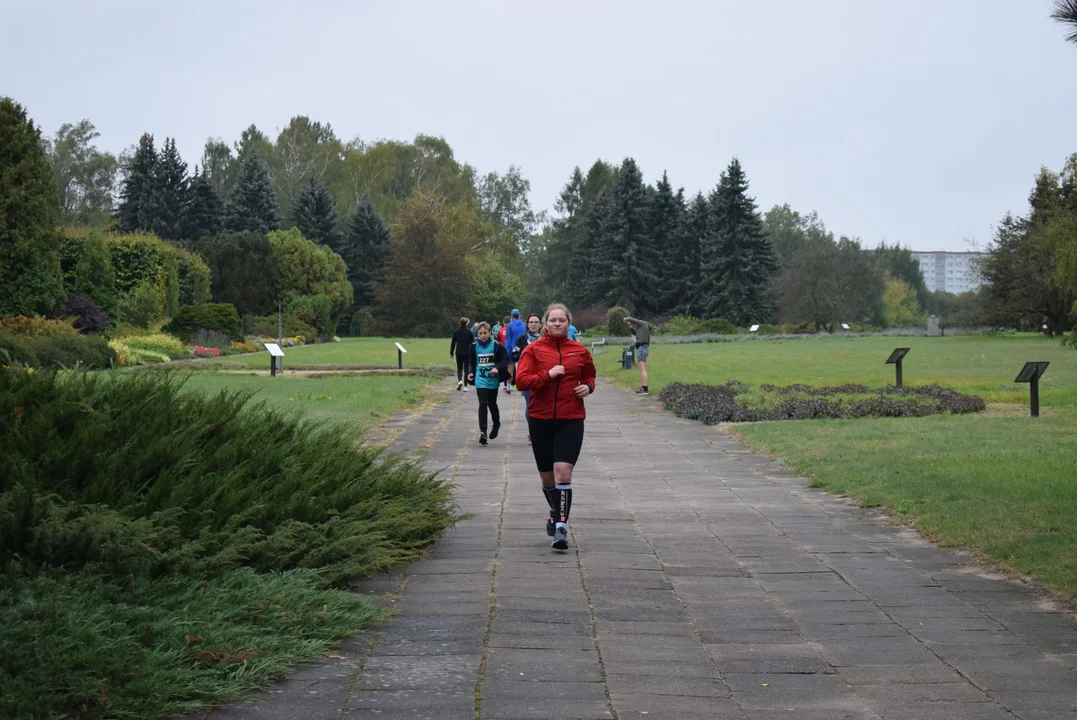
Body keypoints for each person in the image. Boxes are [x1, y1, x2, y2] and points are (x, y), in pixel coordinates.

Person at [515, 303, 596, 551]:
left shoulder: (579, 351)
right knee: (547, 478)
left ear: (569, 323)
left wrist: (588, 387)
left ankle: (561, 528)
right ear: (545, 324)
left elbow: (591, 375)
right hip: (540, 419)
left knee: (563, 472)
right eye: (553, 320)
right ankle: (554, 509)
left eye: (562, 320)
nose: (558, 324)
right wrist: (547, 375)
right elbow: (520, 382)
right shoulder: (533, 350)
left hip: (571, 418)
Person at [467, 322, 509, 446]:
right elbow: (471, 361)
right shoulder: (474, 346)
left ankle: (496, 423)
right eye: (480, 333)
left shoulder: (496, 345)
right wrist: (470, 372)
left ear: (490, 332)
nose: (483, 336)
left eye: (485, 333)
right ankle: (483, 432)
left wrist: (497, 368)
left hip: (492, 380)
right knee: (483, 403)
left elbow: (505, 360)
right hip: (480, 380)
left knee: (492, 403)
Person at [512, 313, 543, 441]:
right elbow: (514, 354)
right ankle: (532, 431)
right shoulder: (522, 339)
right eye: (531, 322)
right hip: (527, 377)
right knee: (530, 404)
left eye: (536, 322)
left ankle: (542, 430)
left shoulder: (545, 339)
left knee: (542, 404)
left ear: (540, 324)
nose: (534, 324)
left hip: (544, 376)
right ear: (527, 324)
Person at [624, 315, 651, 395]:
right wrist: (629, 325)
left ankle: (644, 389)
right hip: (642, 348)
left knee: (642, 368)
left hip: (642, 348)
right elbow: (636, 333)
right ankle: (644, 388)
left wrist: (625, 319)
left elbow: (631, 319)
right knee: (641, 368)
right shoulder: (643, 329)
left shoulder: (643, 324)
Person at [503, 309, 526, 394]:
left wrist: (507, 351)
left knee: (510, 369)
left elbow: (508, 339)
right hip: (523, 349)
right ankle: (522, 390)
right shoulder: (524, 325)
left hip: (512, 349)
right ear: (519, 315)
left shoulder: (509, 325)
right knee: (522, 369)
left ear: (512, 316)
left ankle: (508, 388)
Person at [449, 317, 474, 390]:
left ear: (459, 323)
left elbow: (453, 342)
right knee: (466, 369)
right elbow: (472, 343)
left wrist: (451, 352)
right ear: (467, 323)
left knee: (459, 368)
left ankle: (460, 380)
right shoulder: (469, 332)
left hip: (459, 352)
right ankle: (465, 386)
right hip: (467, 352)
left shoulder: (456, 332)